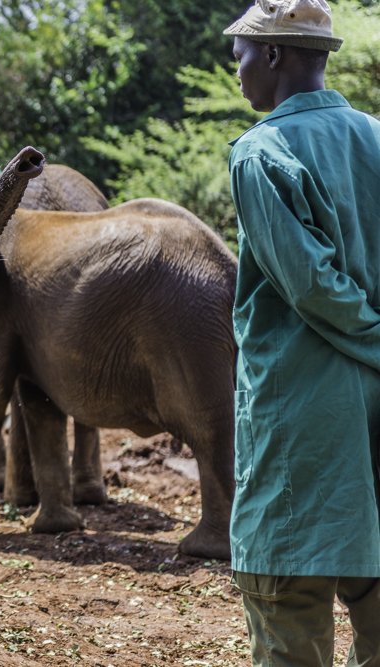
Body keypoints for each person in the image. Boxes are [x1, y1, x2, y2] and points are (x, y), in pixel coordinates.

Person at [224, 0, 380, 664]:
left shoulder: (260, 153)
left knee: (286, 604)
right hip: (373, 425)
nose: (237, 71)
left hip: (301, 423)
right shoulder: (377, 137)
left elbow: (311, 283)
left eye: (241, 55)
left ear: (274, 54)